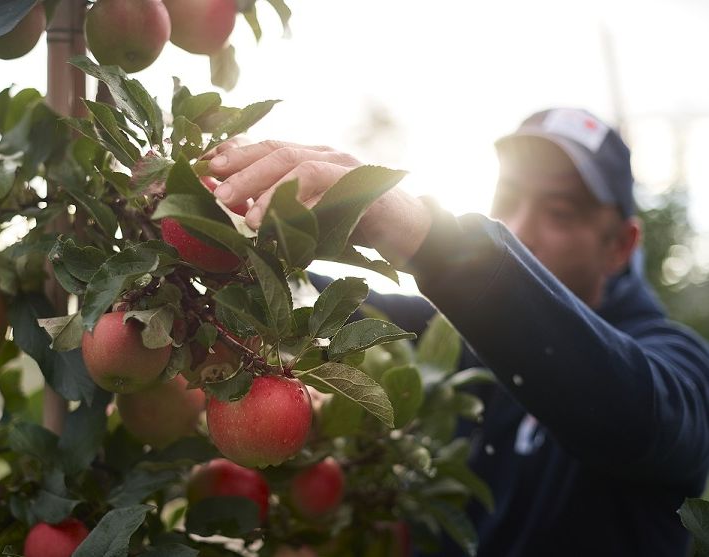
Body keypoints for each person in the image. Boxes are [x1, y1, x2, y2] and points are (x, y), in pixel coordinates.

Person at [205, 107, 709, 556]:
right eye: (507, 199)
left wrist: (431, 238)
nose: (520, 228)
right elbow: (333, 308)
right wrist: (228, 253)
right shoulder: (464, 343)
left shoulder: (677, 365)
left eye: (559, 212)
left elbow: (636, 413)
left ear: (621, 245)